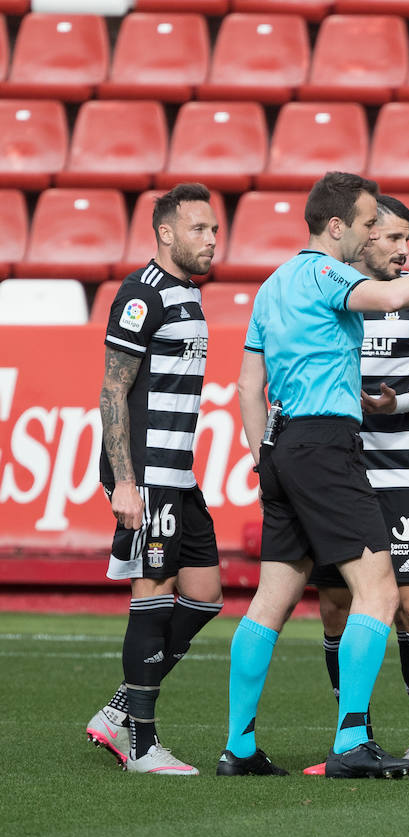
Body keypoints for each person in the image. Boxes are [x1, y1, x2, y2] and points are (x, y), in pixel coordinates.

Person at [220, 171, 409, 779]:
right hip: (325, 444)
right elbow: (391, 299)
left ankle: (237, 746)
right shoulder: (326, 272)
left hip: (283, 446)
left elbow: (246, 385)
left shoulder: (271, 285)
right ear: (335, 226)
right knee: (381, 591)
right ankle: (352, 741)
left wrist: (265, 456)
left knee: (270, 599)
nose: (371, 237)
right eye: (366, 225)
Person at [301, 194, 409, 778]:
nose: (403, 249)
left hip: (400, 471)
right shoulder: (326, 289)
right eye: (391, 238)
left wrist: (402, 402)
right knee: (337, 609)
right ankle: (354, 738)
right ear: (363, 236)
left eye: (405, 239)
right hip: (336, 473)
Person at [87, 182, 223, 776]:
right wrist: (124, 483)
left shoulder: (186, 295)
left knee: (206, 596)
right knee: (152, 594)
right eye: (199, 229)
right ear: (166, 232)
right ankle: (140, 743)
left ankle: (120, 709)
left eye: (214, 229)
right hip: (145, 476)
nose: (212, 240)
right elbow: (112, 389)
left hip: (177, 475)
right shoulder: (142, 295)